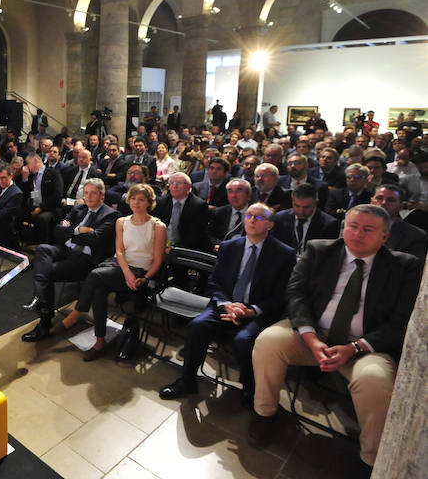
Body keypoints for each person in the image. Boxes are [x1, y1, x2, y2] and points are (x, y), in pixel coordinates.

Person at [248, 206, 421, 468]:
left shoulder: (405, 266)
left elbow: (401, 321)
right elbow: (295, 294)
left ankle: (372, 459)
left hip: (365, 345)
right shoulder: (319, 250)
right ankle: (265, 412)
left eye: (368, 229)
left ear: (384, 236)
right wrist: (311, 338)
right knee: (268, 342)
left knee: (375, 381)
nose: (357, 234)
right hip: (313, 333)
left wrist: (355, 348)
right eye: (353, 226)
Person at [159, 203, 296, 406]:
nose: (251, 220)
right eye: (249, 215)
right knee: (198, 326)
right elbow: (215, 282)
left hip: (257, 311)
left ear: (270, 225)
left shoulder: (284, 253)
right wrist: (227, 304)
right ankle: (187, 380)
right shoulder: (230, 246)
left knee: (243, 340)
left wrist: (251, 311)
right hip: (226, 305)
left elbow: (281, 295)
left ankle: (250, 386)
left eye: (259, 218)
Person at [61, 184, 166, 360]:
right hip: (120, 266)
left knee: (95, 276)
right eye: (133, 198)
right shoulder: (122, 221)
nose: (136, 203)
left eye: (141, 199)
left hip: (140, 272)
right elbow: (120, 251)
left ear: (149, 202)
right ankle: (99, 340)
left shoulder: (158, 226)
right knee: (98, 289)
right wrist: (127, 273)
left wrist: (145, 278)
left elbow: (157, 261)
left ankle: (77, 313)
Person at [21, 178, 119, 341]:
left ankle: (44, 321)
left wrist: (71, 232)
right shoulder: (79, 208)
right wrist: (79, 230)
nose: (88, 197)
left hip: (86, 258)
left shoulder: (111, 215)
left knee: (47, 272)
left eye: (93, 193)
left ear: (102, 195)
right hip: (66, 249)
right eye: (86, 193)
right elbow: (57, 231)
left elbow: (95, 239)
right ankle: (41, 299)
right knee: (43, 248)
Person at [270, 183, 341, 256]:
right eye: (297, 206)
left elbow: (327, 255)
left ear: (316, 203)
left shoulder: (330, 224)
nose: (301, 211)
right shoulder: (279, 219)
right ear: (292, 201)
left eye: (306, 207)